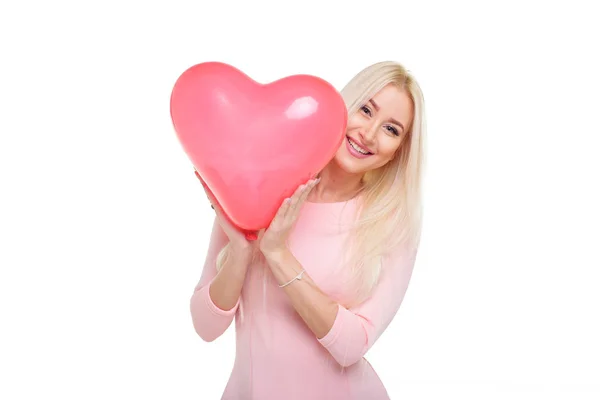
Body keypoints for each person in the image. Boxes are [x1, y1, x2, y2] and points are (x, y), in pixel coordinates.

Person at [190, 60, 426, 400]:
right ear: (342, 107)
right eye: (365, 110)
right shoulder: (260, 184)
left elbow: (351, 346)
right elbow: (206, 326)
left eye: (391, 130)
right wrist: (241, 249)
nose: (369, 134)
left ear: (398, 152)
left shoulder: (391, 223)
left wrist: (277, 253)